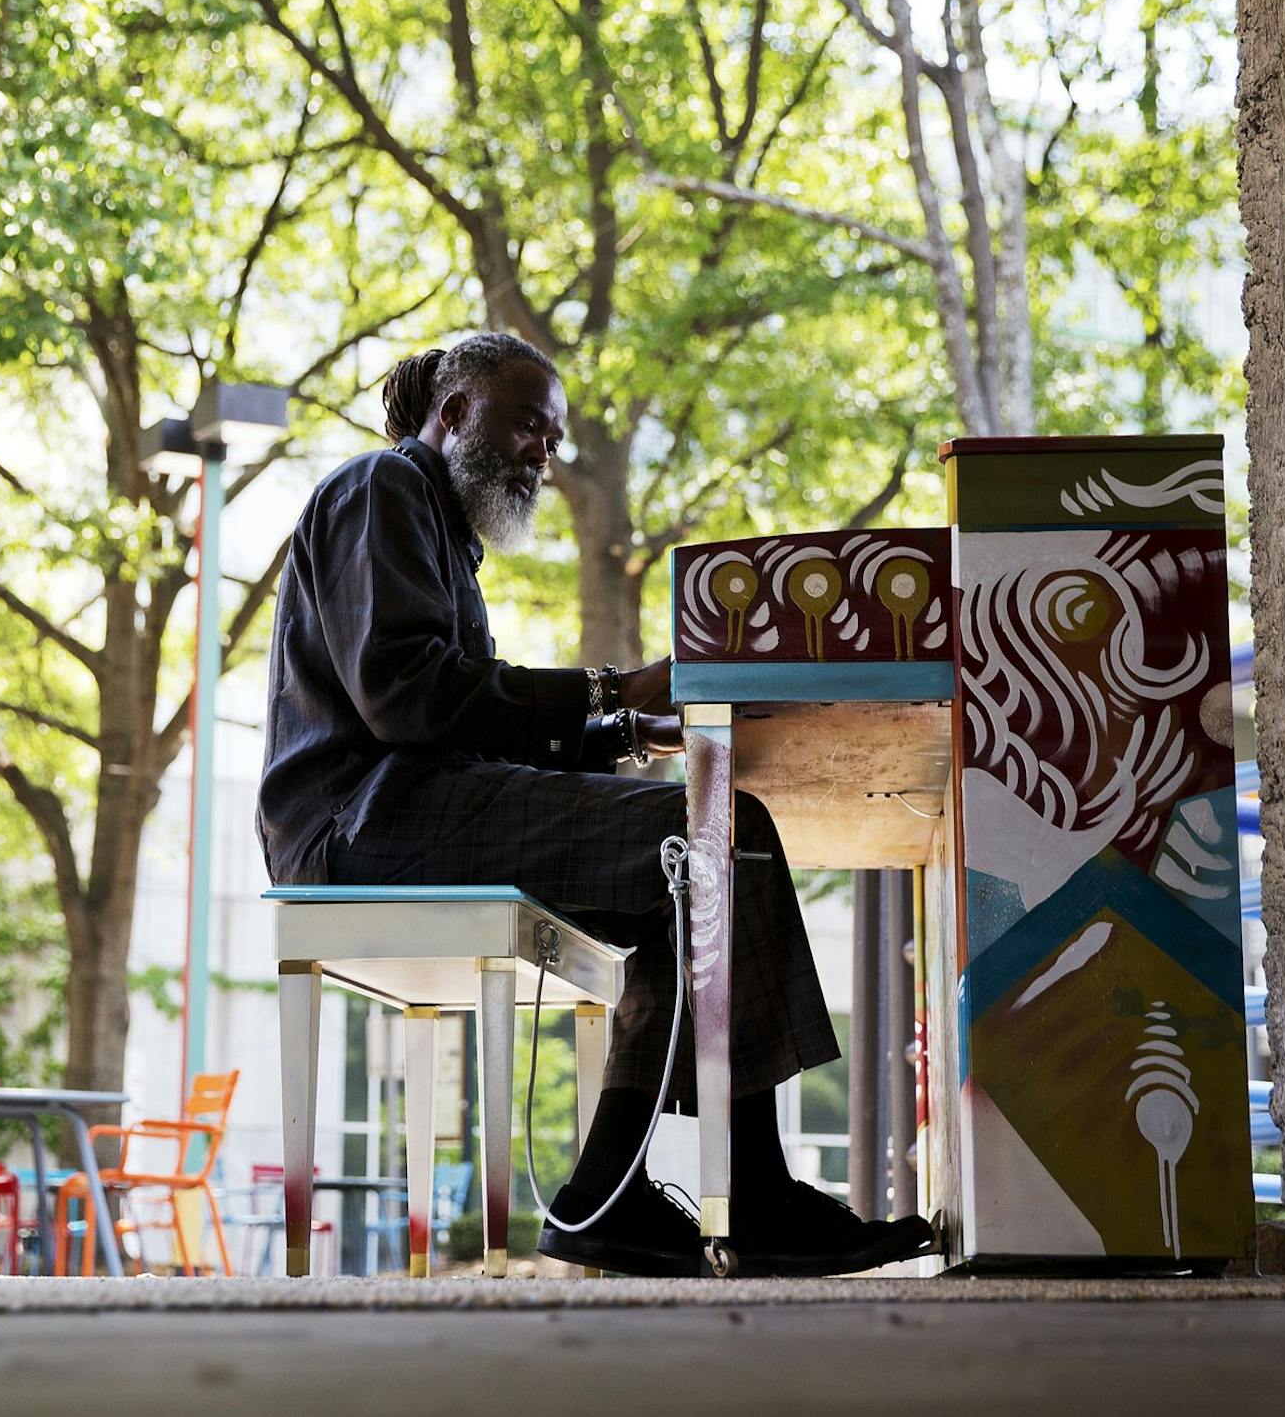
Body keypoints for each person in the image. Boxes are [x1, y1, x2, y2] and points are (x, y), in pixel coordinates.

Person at [256, 331, 935, 1276]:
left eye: (553, 436)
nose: (543, 451)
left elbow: (460, 714)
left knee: (698, 864)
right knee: (714, 835)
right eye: (527, 424)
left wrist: (626, 732)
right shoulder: (383, 488)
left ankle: (611, 1194)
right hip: (362, 821)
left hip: (407, 806)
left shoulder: (437, 531)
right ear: (451, 414)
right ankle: (732, 1194)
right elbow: (409, 698)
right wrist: (610, 690)